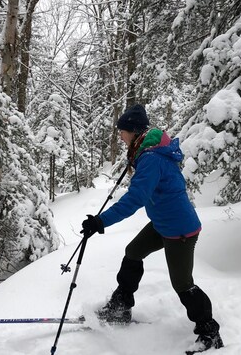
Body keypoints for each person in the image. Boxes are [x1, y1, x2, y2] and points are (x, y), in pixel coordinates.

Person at [80, 104, 224, 353]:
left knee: (182, 283)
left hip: (180, 231)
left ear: (135, 132)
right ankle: (121, 307)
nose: (121, 136)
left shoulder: (151, 159)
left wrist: (101, 222)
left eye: (123, 131)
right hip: (163, 224)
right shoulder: (146, 153)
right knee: (133, 251)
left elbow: (135, 198)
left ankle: (210, 332)